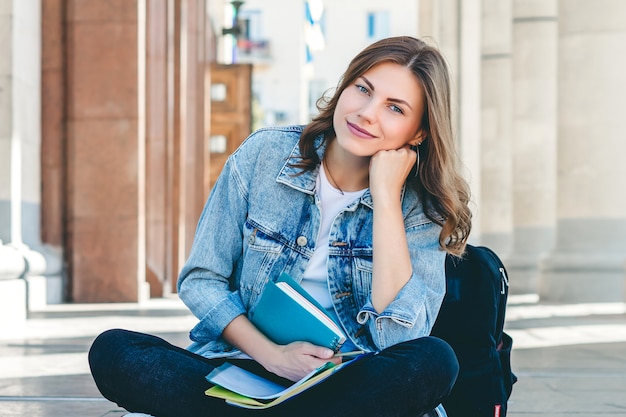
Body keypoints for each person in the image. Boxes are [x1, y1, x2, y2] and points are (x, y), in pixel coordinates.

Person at [88, 35, 472, 417]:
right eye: (363, 89)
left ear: (419, 133)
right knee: (114, 350)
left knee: (434, 360)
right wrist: (273, 356)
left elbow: (402, 338)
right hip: (243, 364)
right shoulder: (265, 155)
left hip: (348, 382)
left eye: (395, 108)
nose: (368, 112)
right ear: (344, 88)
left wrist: (386, 199)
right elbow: (201, 280)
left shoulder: (421, 207)